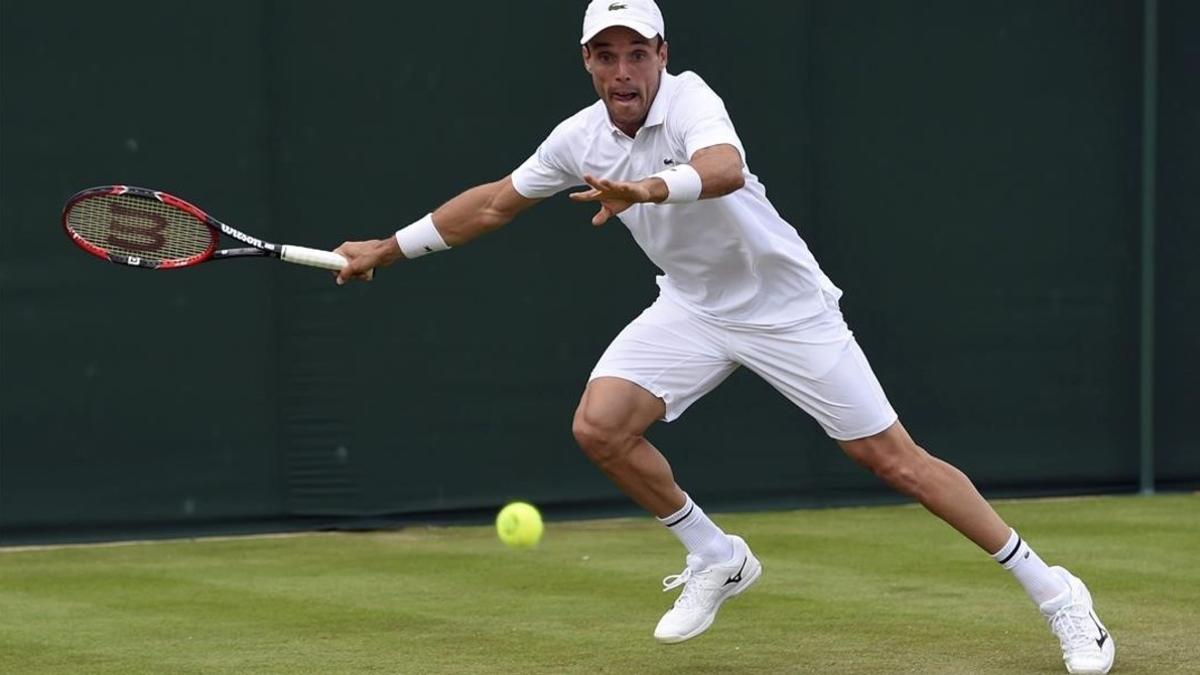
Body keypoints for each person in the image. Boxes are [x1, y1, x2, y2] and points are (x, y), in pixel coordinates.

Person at [332, 1, 1114, 672]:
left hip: (786, 307)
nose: (623, 69)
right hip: (695, 307)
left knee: (893, 461)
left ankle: (1058, 593)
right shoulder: (578, 138)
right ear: (587, 64)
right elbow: (496, 203)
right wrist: (388, 247)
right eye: (606, 56)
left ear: (661, 57)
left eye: (637, 52)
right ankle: (716, 554)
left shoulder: (693, 98)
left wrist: (645, 187)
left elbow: (724, 168)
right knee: (599, 426)